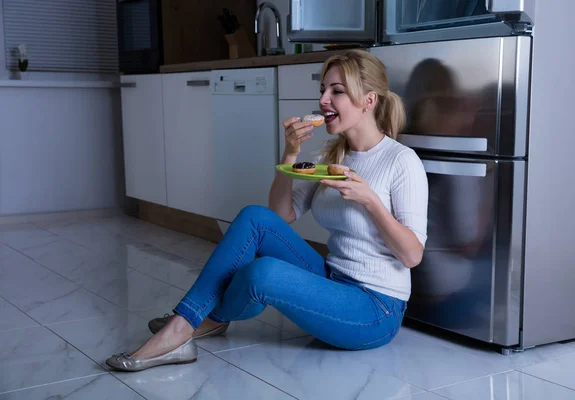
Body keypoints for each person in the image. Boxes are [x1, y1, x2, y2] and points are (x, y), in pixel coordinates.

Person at [106, 49, 429, 372]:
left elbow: (412, 256)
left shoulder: (401, 161)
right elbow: (280, 215)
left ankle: (192, 324)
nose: (324, 100)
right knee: (253, 217)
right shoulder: (334, 156)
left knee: (262, 274)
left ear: (369, 100)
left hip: (376, 308)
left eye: (337, 91)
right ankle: (187, 324)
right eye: (323, 90)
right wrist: (289, 154)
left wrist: (370, 200)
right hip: (333, 278)